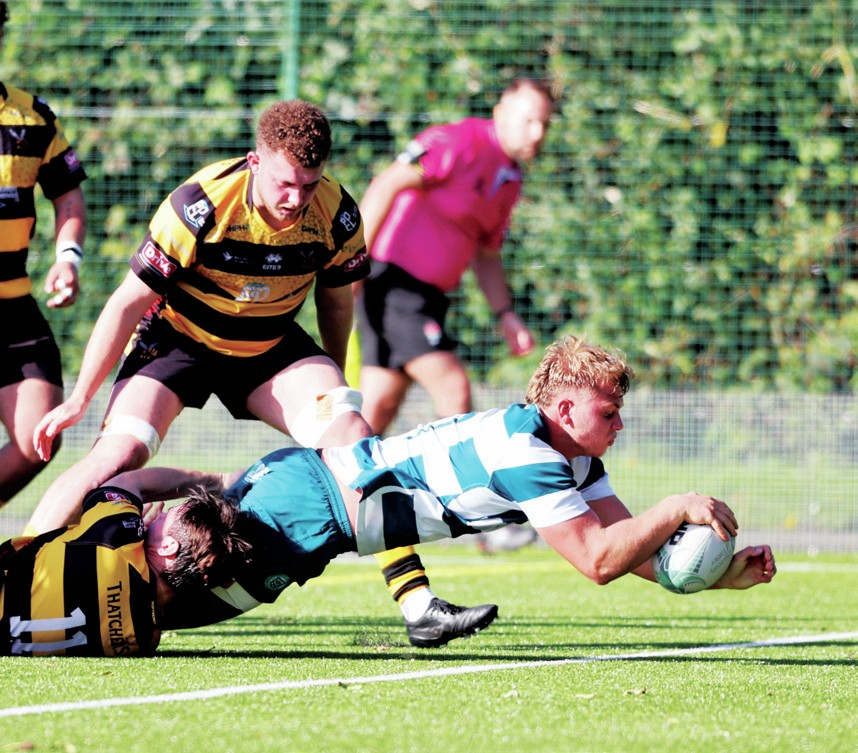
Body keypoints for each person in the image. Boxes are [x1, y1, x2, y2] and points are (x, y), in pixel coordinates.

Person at [27, 99, 495, 647]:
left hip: (268, 345)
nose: (296, 199)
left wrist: (336, 386)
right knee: (116, 457)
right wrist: (80, 399)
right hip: (177, 342)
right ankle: (18, 571)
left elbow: (335, 302)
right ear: (255, 161)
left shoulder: (338, 214)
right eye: (284, 184)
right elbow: (127, 303)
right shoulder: (200, 205)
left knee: (353, 439)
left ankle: (418, 606)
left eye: (309, 185)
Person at [111, 335, 777, 643]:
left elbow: (626, 548)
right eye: (609, 412)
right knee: (148, 609)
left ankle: (112, 500)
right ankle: (86, 538)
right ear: (566, 409)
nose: (619, 425)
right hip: (313, 509)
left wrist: (721, 577)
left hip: (316, 490)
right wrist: (677, 505)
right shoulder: (527, 454)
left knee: (187, 538)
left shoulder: (569, 457)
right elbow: (597, 560)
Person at [354, 78, 554, 568]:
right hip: (391, 283)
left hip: (427, 298)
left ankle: (328, 507)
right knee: (453, 388)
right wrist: (351, 261)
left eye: (545, 124)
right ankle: (479, 524)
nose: (537, 133)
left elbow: (486, 253)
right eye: (529, 119)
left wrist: (506, 314)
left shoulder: (509, 178)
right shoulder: (461, 142)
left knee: (374, 411)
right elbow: (389, 182)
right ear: (501, 110)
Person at [0, 473, 251, 657]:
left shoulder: (118, 537)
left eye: (167, 515)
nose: (160, 514)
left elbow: (128, 481)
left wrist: (219, 480)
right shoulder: (145, 640)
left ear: (168, 547)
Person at [0, 1, 88, 506]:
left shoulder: (32, 118)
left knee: (40, 437)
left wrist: (68, 257)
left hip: (14, 305)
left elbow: (67, 195)